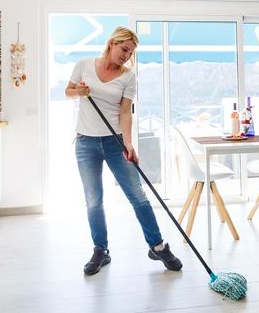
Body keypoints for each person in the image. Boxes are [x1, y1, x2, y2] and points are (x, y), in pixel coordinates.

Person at [65, 27, 183, 275]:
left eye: (130, 53)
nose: (127, 56)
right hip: (86, 143)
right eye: (124, 49)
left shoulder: (128, 77)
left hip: (114, 143)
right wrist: (79, 92)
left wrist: (128, 144)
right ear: (111, 44)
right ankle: (101, 250)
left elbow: (124, 112)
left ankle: (158, 247)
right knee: (93, 200)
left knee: (138, 196)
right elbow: (68, 91)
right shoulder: (84, 64)